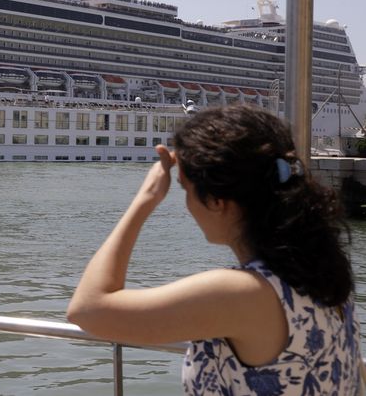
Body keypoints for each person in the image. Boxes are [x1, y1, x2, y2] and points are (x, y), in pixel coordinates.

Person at [66, 105, 361, 395]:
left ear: (218, 201)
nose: (186, 205)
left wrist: (145, 200)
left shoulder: (241, 293)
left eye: (185, 189)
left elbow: (88, 309)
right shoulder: (326, 275)